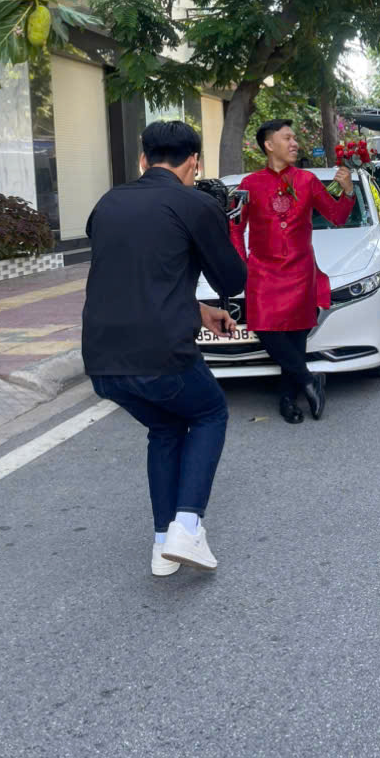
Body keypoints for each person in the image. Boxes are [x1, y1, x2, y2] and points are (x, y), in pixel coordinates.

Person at [82, 121, 246, 578]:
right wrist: (221, 219)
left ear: (142, 159)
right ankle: (188, 526)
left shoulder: (107, 203)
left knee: (166, 428)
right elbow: (233, 280)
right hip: (161, 354)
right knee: (210, 412)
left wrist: (196, 310)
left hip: (101, 361)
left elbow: (140, 275)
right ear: (194, 162)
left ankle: (162, 544)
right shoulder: (193, 202)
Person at [231, 120, 355, 424]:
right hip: (262, 271)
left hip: (300, 270)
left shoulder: (308, 180)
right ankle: (310, 379)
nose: (294, 142)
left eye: (295, 137)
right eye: (287, 137)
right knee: (264, 327)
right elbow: (235, 227)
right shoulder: (248, 184)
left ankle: (288, 399)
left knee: (296, 337)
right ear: (269, 145)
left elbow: (337, 217)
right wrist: (242, 264)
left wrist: (348, 192)